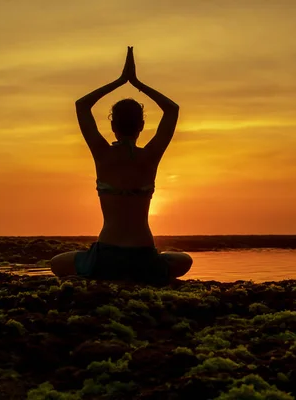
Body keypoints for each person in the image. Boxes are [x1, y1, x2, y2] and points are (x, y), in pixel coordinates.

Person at [50, 46, 192, 285]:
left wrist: (119, 81)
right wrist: (137, 82)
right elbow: (172, 109)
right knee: (183, 260)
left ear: (113, 125)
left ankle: (106, 274)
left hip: (107, 257)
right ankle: (142, 273)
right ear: (142, 125)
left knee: (57, 263)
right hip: (143, 256)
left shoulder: (102, 154)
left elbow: (82, 105)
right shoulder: (150, 157)